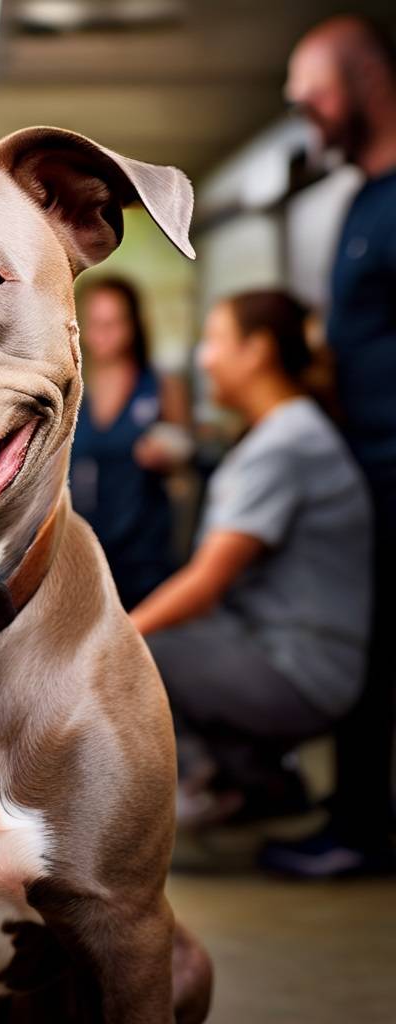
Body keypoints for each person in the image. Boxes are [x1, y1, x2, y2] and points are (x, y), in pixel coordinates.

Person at [132, 291, 372, 829]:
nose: (204, 357)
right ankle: (262, 785)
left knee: (141, 657)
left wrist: (116, 640)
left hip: (299, 671)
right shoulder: (289, 432)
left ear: (257, 350)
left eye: (216, 340)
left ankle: (217, 790)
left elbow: (205, 583)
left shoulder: (285, 443)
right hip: (300, 660)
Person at [260, 15, 396, 876]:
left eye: (308, 89)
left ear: (359, 82)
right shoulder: (361, 198)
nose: (300, 109)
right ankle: (356, 818)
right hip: (368, 471)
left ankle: (357, 826)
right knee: (371, 650)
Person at [69, 277, 190, 609]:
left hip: (145, 550)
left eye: (115, 322)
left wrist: (171, 454)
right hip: (82, 548)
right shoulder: (70, 388)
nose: (105, 333)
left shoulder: (162, 386)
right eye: (96, 323)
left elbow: (186, 452)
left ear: (133, 324)